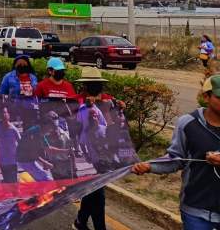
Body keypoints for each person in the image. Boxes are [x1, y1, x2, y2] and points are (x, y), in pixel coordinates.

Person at [132, 74, 220, 229]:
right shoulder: (188, 124)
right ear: (206, 97)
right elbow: (176, 159)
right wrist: (150, 166)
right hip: (196, 209)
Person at [71, 66, 124, 230]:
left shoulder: (107, 99)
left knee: (93, 189)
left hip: (105, 149)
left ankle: (80, 221)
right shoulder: (78, 100)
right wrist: (85, 106)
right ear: (85, 85)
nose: (95, 86)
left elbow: (115, 117)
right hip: (88, 151)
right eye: (91, 83)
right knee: (97, 191)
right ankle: (98, 227)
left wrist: (120, 106)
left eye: (97, 83)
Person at [0, 106, 21, 182]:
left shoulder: (13, 129)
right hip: (2, 160)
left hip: (13, 160)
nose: (3, 115)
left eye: (5, 112)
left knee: (13, 182)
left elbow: (20, 143)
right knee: (7, 180)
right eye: (1, 113)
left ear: (8, 114)